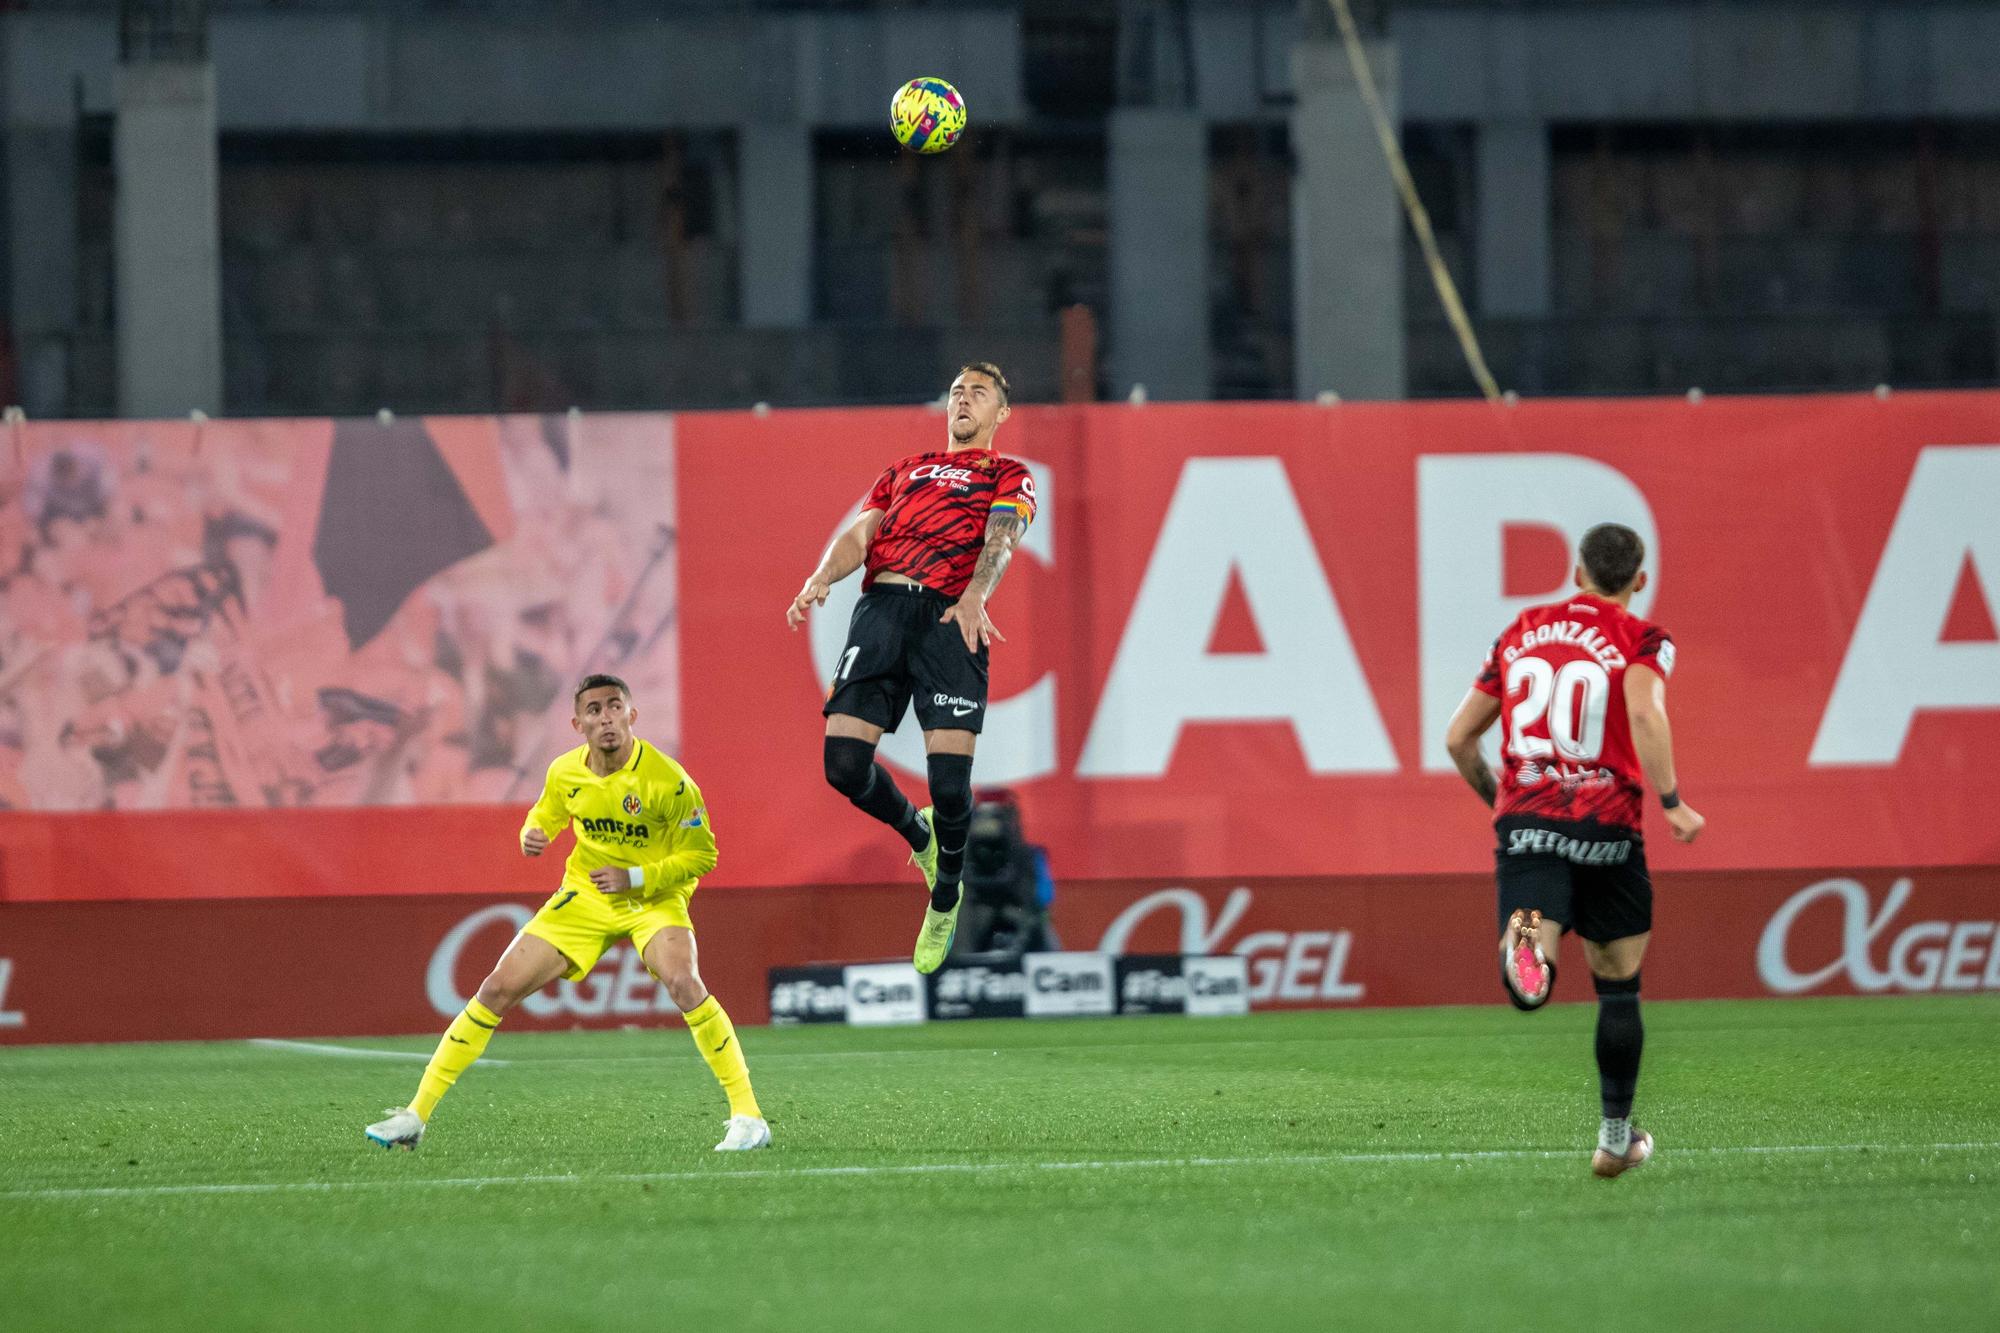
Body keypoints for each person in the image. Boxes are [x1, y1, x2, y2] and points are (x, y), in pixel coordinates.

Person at [365, 674, 768, 1152]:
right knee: (496, 988)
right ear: (579, 724)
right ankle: (415, 1115)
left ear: (632, 715)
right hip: (585, 899)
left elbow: (702, 856)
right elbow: (546, 813)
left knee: (684, 983)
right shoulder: (564, 772)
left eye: (614, 707)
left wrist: (634, 879)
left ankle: (748, 1116)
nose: (606, 718)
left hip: (653, 900)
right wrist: (530, 833)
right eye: (594, 711)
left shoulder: (670, 781)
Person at [1442, 523, 1704, 1179]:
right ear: (1638, 581)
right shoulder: (1642, 638)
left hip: (1527, 819)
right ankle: (1615, 1137)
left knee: (1532, 917)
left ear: (1577, 571)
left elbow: (1458, 739)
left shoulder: (1522, 627)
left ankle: (1526, 945)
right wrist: (1672, 802)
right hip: (1609, 827)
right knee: (1620, 990)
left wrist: (1505, 801)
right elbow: (1644, 712)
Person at [785, 363, 1037, 974]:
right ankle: (919, 838)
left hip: (952, 619)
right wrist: (821, 576)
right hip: (882, 612)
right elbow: (862, 535)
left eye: (979, 392)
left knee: (950, 785)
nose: (964, 398)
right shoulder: (906, 469)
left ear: (1000, 413)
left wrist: (977, 593)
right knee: (843, 766)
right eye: (956, 390)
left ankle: (946, 894)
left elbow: (1001, 537)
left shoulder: (1008, 474)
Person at [958, 791, 1059, 956]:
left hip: (1022, 919)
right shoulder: (964, 859)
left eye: (996, 820)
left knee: (1045, 932)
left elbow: (1045, 896)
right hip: (976, 924)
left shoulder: (1030, 856)